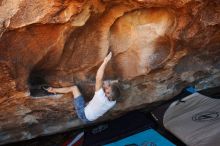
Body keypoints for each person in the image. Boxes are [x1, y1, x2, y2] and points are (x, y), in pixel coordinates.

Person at [46, 52, 121, 123]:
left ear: (107, 94)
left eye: (107, 89)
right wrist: (109, 84)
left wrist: (105, 61)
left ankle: (53, 90)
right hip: (90, 120)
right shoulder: (113, 102)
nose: (106, 88)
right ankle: (87, 106)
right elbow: (109, 90)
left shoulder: (100, 97)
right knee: (90, 103)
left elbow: (98, 78)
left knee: (74, 88)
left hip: (82, 114)